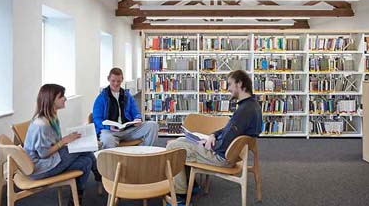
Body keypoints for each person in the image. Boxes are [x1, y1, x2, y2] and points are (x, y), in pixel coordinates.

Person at [166, 70, 262, 205]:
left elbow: (226, 141)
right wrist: (213, 135)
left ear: (239, 84)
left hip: (222, 156)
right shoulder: (252, 106)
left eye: (229, 84)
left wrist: (209, 145)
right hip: (230, 153)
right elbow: (229, 129)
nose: (228, 88)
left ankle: (179, 196)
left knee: (173, 147)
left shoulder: (244, 111)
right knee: (181, 141)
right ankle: (191, 185)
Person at [24, 84, 101, 205]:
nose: (65, 98)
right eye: (61, 96)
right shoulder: (42, 125)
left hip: (51, 158)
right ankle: (99, 173)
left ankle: (75, 200)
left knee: (86, 161)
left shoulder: (51, 117)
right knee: (84, 149)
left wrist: (66, 141)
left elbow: (53, 142)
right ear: (51, 100)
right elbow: (43, 154)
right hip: (39, 167)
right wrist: (64, 141)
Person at [93, 67, 158, 148]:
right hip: (110, 131)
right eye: (113, 81)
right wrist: (108, 127)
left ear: (122, 80)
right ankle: (112, 160)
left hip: (128, 130)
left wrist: (138, 119)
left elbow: (136, 112)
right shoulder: (101, 98)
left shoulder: (127, 96)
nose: (116, 83)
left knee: (152, 125)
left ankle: (144, 153)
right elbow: (96, 119)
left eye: (118, 81)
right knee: (107, 139)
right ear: (108, 79)